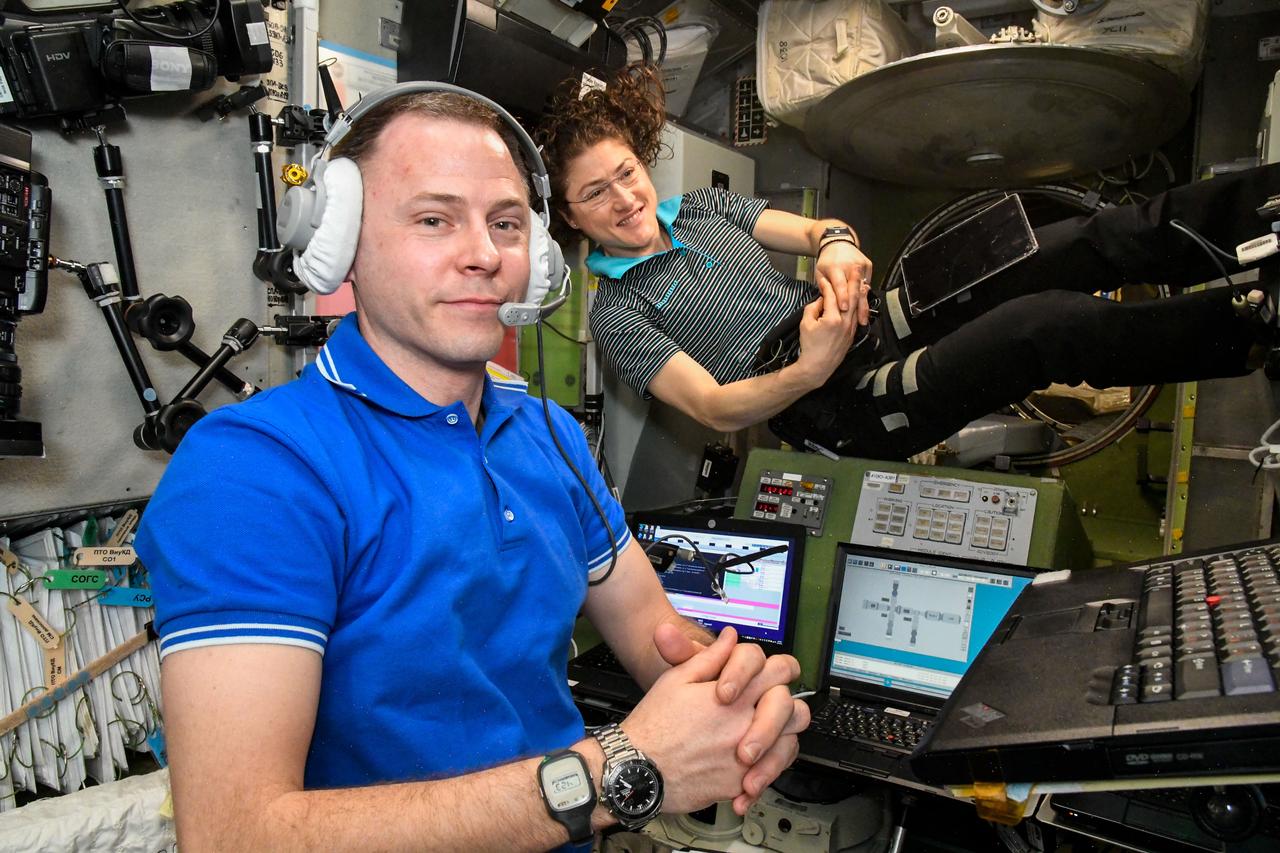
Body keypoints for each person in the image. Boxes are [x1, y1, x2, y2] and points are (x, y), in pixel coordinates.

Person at [134, 85, 808, 851]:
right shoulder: (254, 468)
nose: (484, 253)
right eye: (434, 218)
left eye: (507, 224)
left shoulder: (549, 435)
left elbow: (659, 633)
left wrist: (738, 702)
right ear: (340, 239)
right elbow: (235, 837)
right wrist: (619, 767)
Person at [535, 64, 1280, 460]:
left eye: (626, 173)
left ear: (644, 164)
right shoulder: (616, 312)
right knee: (1042, 329)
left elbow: (820, 228)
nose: (624, 199)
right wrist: (809, 369)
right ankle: (1256, 321)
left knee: (1069, 243)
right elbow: (714, 406)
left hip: (860, 322)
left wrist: (838, 249)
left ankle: (1262, 210)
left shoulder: (699, 208)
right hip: (833, 405)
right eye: (595, 194)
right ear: (570, 216)